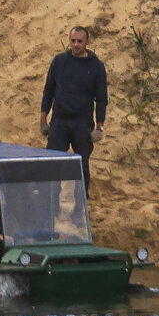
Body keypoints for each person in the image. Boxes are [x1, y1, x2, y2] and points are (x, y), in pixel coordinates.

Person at [40, 26, 107, 196]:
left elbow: (101, 98)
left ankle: (80, 211)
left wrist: (99, 127)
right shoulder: (59, 61)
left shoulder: (97, 66)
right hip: (59, 122)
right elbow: (48, 90)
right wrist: (43, 119)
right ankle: (51, 208)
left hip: (82, 124)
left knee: (81, 169)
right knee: (52, 166)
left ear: (87, 42)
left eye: (79, 41)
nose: (76, 45)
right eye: (73, 41)